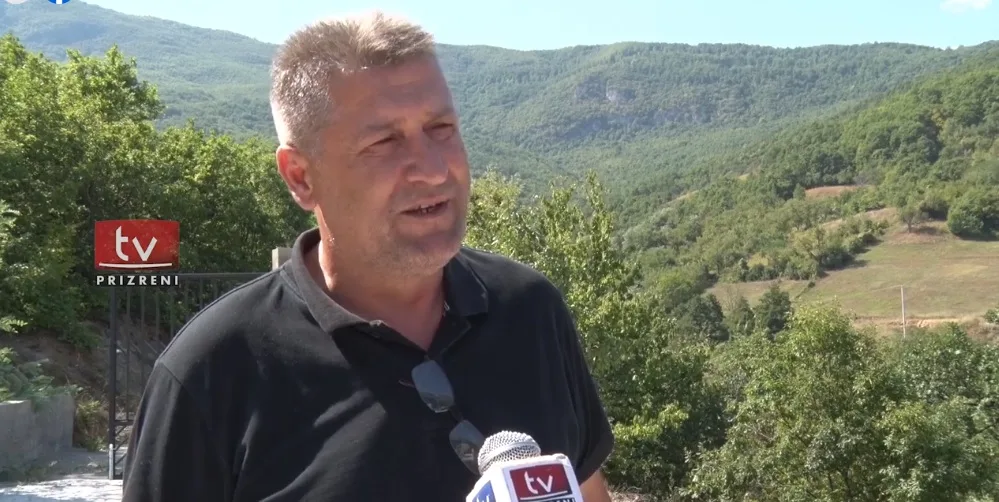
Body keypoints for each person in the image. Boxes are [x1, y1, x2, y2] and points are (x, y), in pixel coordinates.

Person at [122, 11, 615, 502]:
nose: (432, 169)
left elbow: (587, 487)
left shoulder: (531, 310)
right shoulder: (212, 372)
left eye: (441, 127)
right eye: (384, 142)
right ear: (300, 177)